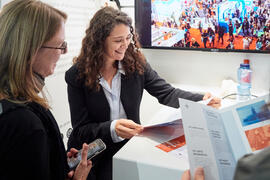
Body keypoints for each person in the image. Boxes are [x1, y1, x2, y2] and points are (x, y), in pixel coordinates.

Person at [65, 6, 221, 180]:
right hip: (93, 154)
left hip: (128, 147)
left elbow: (167, 93)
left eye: (128, 37)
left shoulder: (136, 64)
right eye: (118, 40)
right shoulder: (76, 75)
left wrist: (201, 100)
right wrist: (112, 128)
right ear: (99, 41)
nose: (125, 45)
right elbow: (80, 131)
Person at [0, 0, 92, 180]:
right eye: (59, 45)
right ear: (31, 49)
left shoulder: (12, 106)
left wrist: (52, 160)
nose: (64, 52)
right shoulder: (24, 124)